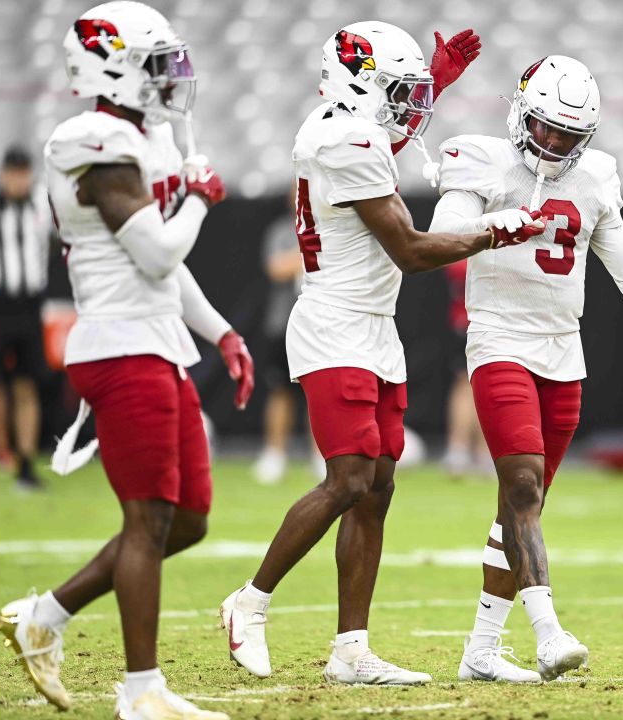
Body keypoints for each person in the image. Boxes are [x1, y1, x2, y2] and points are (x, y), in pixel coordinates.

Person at [217, 21, 542, 685]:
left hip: (373, 326)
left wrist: (440, 83)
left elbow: (388, 136)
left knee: (378, 488)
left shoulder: (346, 127)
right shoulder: (346, 138)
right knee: (349, 480)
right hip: (337, 323)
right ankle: (248, 603)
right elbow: (413, 251)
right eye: (397, 88)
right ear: (359, 82)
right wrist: (493, 231)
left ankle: (350, 649)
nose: (410, 102)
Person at [0, 4, 253, 718]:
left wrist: (221, 333)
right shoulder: (90, 141)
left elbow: (167, 271)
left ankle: (45, 615)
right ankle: (142, 693)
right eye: (156, 64)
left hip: (157, 339)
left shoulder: (142, 140)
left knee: (190, 519)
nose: (171, 78)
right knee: (148, 522)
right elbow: (159, 251)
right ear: (113, 67)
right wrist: (199, 199)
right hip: (119, 344)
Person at [428, 55, 623, 682]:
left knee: (519, 508)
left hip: (563, 350)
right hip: (498, 339)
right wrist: (485, 225)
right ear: (521, 112)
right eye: (545, 128)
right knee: (523, 487)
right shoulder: (481, 158)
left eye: (568, 135)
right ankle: (549, 634)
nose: (553, 145)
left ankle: (480, 651)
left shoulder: (597, 177)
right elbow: (441, 233)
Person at [0, 145, 55, 491]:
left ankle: (26, 463)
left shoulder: (42, 203)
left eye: (22, 173)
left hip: (29, 307)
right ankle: (1, 447)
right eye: (12, 173)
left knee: (27, 384)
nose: (17, 181)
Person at [251, 209, 325, 485]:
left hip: (319, 324)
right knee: (280, 390)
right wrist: (307, 256)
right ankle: (275, 454)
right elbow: (276, 268)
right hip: (282, 323)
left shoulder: (331, 225)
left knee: (318, 390)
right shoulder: (282, 229)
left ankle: (320, 455)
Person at [441, 259, 491, 478]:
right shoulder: (465, 230)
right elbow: (456, 266)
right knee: (466, 384)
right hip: (470, 320)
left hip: (496, 321)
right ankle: (458, 450)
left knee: (490, 386)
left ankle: (484, 452)